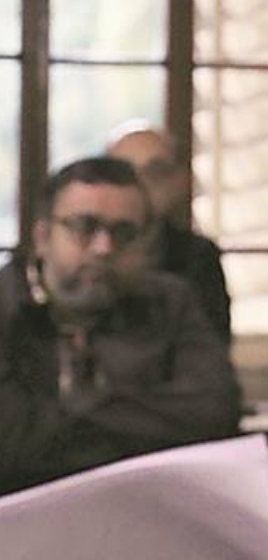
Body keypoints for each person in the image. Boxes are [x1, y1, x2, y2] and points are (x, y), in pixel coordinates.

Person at [0, 157, 241, 495]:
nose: (104, 248)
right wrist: (136, 420)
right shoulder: (5, 303)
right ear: (42, 237)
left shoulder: (171, 302)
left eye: (124, 233)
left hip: (148, 504)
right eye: (84, 227)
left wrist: (58, 420)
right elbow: (8, 439)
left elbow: (214, 412)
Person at [107, 124, 232, 344]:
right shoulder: (88, 247)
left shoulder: (197, 254)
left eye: (155, 173)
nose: (141, 185)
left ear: (180, 181)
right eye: (125, 174)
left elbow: (211, 343)